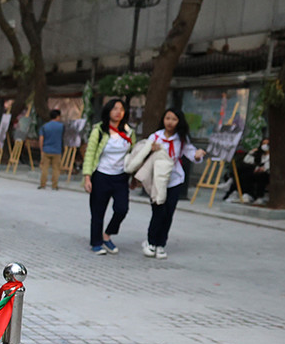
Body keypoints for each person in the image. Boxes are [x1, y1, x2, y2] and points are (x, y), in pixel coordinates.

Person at [142, 105, 206, 258]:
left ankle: (161, 244)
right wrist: (151, 150)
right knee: (158, 212)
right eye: (167, 118)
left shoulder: (181, 139)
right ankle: (151, 242)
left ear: (179, 121)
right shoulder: (155, 137)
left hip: (175, 180)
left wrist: (198, 155)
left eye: (174, 119)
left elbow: (191, 153)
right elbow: (143, 154)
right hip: (158, 181)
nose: (170, 122)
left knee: (168, 213)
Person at [81, 98, 135, 255]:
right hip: (101, 176)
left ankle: (107, 235)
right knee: (98, 212)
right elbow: (90, 153)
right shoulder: (99, 130)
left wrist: (135, 177)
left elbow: (134, 154)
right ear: (108, 111)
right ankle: (96, 242)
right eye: (115, 109)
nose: (118, 112)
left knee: (122, 209)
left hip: (121, 177)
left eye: (121, 109)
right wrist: (87, 177)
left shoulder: (128, 131)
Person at [38, 110, 65, 190]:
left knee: (44, 168)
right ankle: (54, 185)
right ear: (57, 117)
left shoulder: (45, 126)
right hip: (57, 150)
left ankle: (43, 184)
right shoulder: (61, 126)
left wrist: (41, 149)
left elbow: (41, 138)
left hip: (46, 150)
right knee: (56, 169)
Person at [240, 137, 269, 203]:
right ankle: (247, 194)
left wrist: (264, 169)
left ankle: (259, 196)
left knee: (262, 177)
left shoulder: (271, 156)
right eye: (263, 144)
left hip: (267, 173)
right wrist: (252, 152)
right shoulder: (259, 154)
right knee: (246, 173)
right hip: (256, 172)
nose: (265, 146)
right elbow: (246, 160)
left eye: (267, 144)